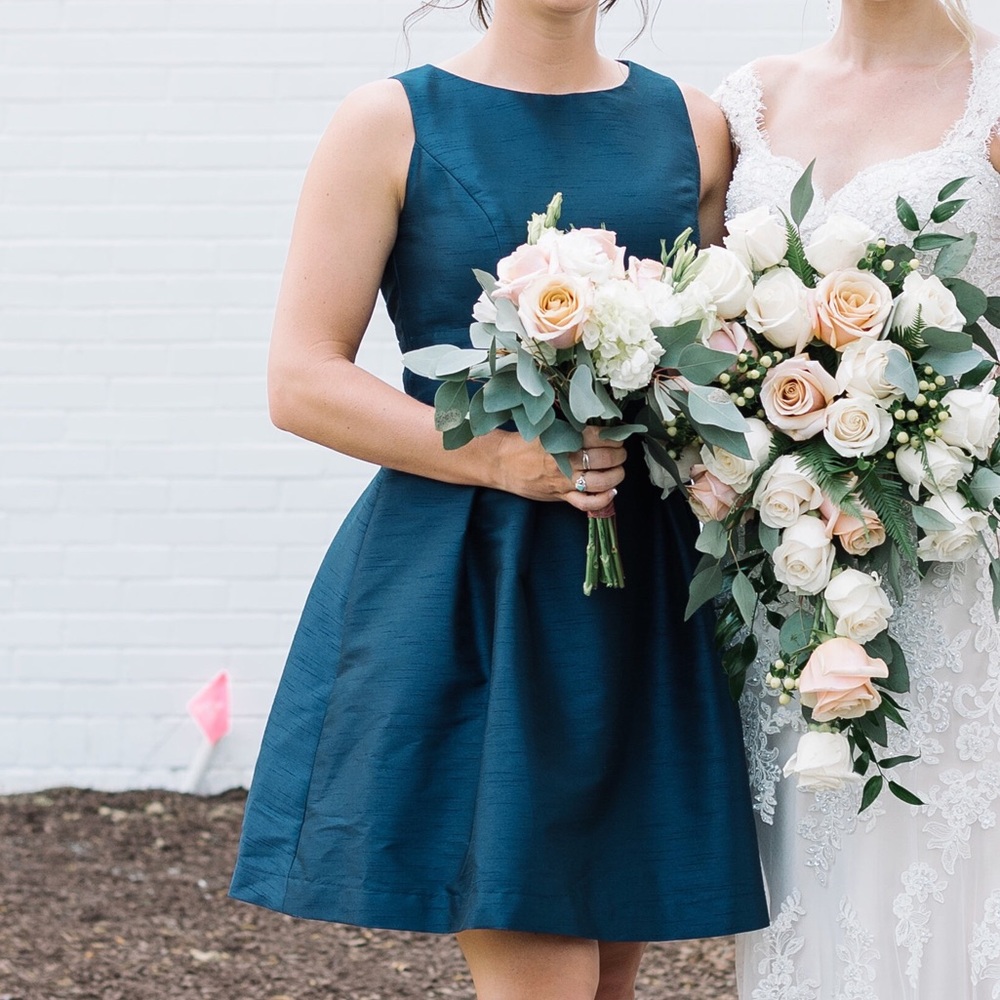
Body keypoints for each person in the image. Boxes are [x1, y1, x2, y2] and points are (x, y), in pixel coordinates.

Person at [228, 1, 769, 996]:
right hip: (474, 579)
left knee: (606, 970)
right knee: (545, 964)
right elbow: (300, 379)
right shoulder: (388, 120)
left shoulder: (692, 124)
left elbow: (722, 351)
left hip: (638, 585)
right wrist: (495, 458)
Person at [715, 0, 1000, 995]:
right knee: (819, 869)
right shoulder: (747, 101)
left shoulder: (992, 86)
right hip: (795, 566)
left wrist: (935, 434)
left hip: (956, 556)